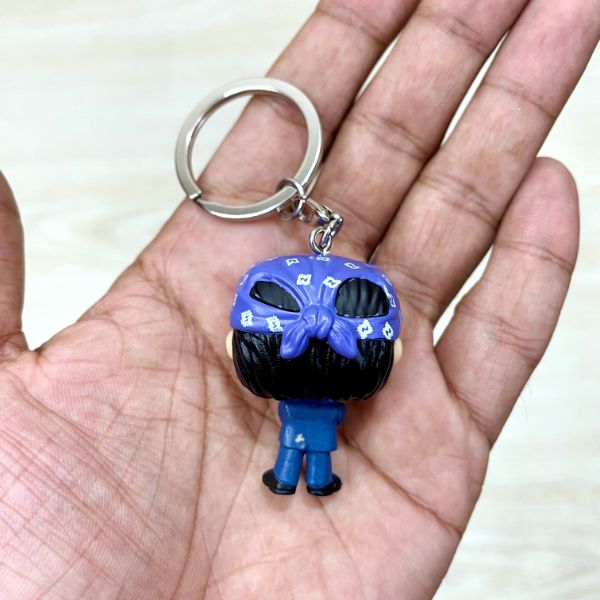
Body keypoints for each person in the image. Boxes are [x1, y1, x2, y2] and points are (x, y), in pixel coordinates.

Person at [0, 0, 597, 597]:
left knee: (298, 448)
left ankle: (290, 478)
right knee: (308, 450)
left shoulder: (283, 368)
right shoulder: (345, 369)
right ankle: (300, 478)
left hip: (300, 413)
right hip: (317, 414)